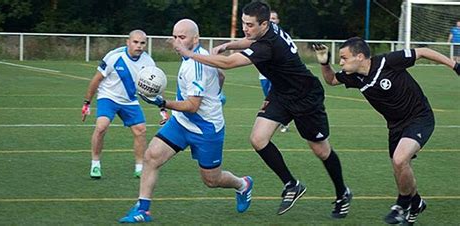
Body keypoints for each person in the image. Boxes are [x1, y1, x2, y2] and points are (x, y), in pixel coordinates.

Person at [175, 1, 352, 218]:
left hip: (305, 97)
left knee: (321, 151)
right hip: (281, 93)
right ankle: (292, 184)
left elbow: (228, 64)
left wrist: (189, 53)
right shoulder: (266, 31)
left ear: (265, 24)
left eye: (250, 25)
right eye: (243, 23)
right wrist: (229, 44)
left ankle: (343, 193)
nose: (245, 29)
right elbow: (249, 40)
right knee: (258, 139)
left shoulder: (267, 46)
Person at [313, 37, 460, 225]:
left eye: (344, 58)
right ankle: (416, 203)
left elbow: (422, 52)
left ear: (359, 56)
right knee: (400, 170)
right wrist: (324, 62)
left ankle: (402, 204)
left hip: (419, 117)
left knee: (400, 160)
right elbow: (331, 80)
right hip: (395, 126)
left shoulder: (388, 61)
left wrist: (455, 66)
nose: (341, 62)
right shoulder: (354, 76)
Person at [118, 19, 253, 223]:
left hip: (206, 128)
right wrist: (216, 92)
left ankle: (243, 184)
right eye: (174, 37)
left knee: (211, 180)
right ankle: (143, 210)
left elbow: (192, 106)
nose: (177, 42)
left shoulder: (195, 65)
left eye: (182, 37)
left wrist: (162, 102)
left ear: (195, 39)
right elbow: (221, 75)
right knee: (151, 156)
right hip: (181, 123)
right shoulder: (196, 55)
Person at [82, 30, 157, 179]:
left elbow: (153, 86)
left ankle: (139, 167)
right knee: (101, 126)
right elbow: (96, 79)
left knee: (140, 130)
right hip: (108, 96)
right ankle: (95, 164)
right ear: (128, 42)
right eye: (135, 42)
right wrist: (87, 103)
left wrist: (162, 108)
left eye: (142, 43)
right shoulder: (114, 56)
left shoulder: (149, 62)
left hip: (130, 100)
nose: (139, 46)